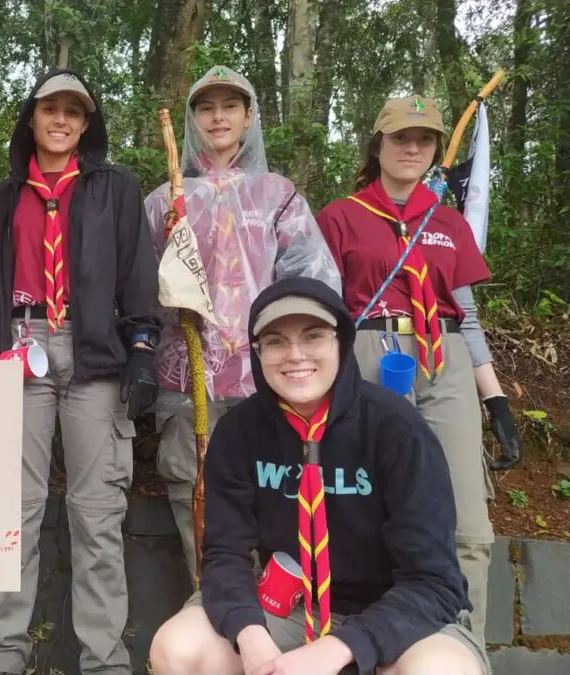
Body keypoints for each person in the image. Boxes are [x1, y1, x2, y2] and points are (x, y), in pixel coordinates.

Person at [148, 276, 491, 675]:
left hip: (393, 615)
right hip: (284, 609)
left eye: (314, 336)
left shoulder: (397, 430)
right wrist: (250, 633)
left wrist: (340, 647)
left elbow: (435, 581)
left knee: (441, 670)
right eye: (276, 341)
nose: (295, 355)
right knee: (181, 649)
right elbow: (225, 554)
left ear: (341, 343)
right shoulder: (240, 431)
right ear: (258, 353)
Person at [0, 68, 162, 675]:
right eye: (50, 108)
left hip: (95, 349)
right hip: (18, 346)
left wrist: (144, 347)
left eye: (74, 112)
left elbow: (136, 269)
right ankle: (4, 655)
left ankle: (104, 660)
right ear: (31, 118)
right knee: (14, 507)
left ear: (86, 124)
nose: (61, 120)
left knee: (97, 512)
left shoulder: (115, 189)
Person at [314, 95, 521, 644]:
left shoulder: (449, 222)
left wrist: (496, 401)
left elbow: (469, 318)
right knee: (374, 508)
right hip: (369, 352)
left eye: (424, 139)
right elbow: (325, 310)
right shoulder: (340, 217)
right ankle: (379, 641)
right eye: (400, 137)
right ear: (377, 143)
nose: (412, 148)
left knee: (467, 520)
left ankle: (463, 647)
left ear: (434, 150)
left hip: (445, 358)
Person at [143, 65, 341, 582]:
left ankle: (275, 632)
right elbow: (139, 292)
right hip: (187, 384)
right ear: (191, 119)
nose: (218, 117)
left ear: (249, 116)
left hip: (267, 383)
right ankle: (210, 623)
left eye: (230, 105)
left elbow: (314, 284)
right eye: (206, 107)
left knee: (274, 501)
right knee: (196, 504)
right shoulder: (164, 198)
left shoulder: (278, 195)